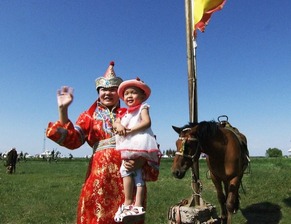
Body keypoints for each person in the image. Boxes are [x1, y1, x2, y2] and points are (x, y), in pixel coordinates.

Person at [46, 61, 159, 224]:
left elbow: (148, 141)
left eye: (112, 89)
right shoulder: (89, 116)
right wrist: (63, 110)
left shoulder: (132, 114)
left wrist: (141, 160)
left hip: (128, 174)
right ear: (98, 92)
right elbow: (73, 139)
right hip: (99, 179)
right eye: (103, 89)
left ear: (119, 93)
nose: (107, 93)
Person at [113, 78, 161, 223]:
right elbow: (117, 122)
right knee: (134, 174)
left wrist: (130, 130)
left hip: (139, 142)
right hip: (130, 144)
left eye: (133, 93)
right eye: (126, 94)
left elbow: (147, 122)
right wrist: (118, 125)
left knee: (128, 171)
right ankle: (135, 204)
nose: (129, 96)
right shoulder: (124, 112)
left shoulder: (143, 107)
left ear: (142, 96)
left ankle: (131, 202)